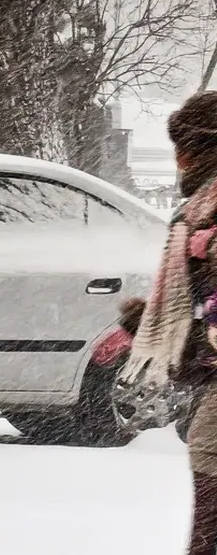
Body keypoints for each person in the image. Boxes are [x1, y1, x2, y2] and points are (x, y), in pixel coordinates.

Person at [114, 91, 217, 554]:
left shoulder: (209, 209)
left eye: (183, 145)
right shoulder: (199, 207)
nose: (178, 158)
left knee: (209, 455)